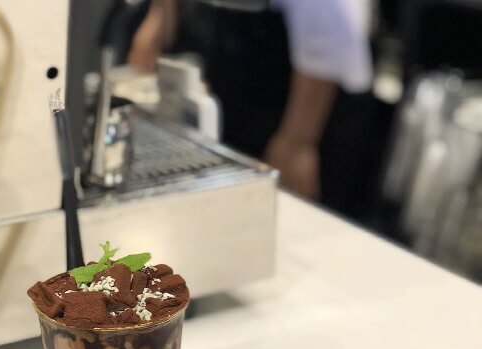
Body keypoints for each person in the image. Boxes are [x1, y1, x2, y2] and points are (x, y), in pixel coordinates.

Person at [128, 0, 374, 214]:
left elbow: (327, 39)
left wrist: (297, 142)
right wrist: (158, 19)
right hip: (241, 82)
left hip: (301, 107)